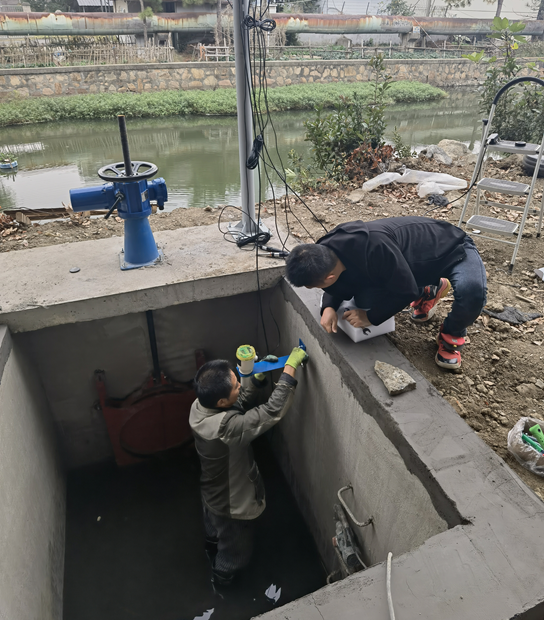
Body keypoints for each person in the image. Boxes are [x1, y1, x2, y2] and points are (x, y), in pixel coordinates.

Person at [285, 216, 487, 371]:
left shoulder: (374, 247)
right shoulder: (326, 250)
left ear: (328, 278)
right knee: (366, 299)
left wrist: (371, 317)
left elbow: (405, 291)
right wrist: (329, 306)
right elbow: (339, 282)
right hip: (411, 264)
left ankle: (451, 334)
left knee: (472, 292)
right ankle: (427, 290)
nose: (320, 289)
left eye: (317, 287)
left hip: (453, 249)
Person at [189, 345, 309, 588]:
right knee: (236, 553)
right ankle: (222, 583)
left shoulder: (200, 406)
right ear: (221, 399)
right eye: (237, 384)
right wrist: (289, 370)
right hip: (231, 505)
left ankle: (210, 548)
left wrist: (256, 379)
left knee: (214, 531)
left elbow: (233, 407)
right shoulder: (225, 429)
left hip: (211, 491)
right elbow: (271, 411)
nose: (240, 385)